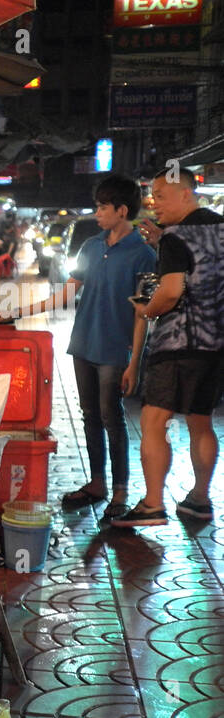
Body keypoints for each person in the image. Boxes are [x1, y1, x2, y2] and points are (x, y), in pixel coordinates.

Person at [17, 175, 156, 521]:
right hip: (84, 344)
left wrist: (134, 362)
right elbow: (68, 292)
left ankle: (120, 490)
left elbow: (143, 315)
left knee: (113, 419)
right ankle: (97, 483)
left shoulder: (143, 255)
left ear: (122, 210)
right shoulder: (91, 246)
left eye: (102, 207)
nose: (97, 213)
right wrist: (20, 311)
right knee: (91, 416)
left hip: (114, 350)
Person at [112, 166, 224, 527]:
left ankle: (153, 504)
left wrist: (148, 309)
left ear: (186, 194)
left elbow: (172, 290)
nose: (153, 203)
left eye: (160, 195)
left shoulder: (176, 237)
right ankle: (200, 499)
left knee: (154, 420)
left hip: (178, 344)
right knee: (200, 422)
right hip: (215, 344)